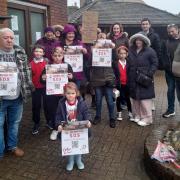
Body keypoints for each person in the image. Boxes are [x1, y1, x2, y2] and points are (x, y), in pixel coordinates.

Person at [0, 28, 33, 158]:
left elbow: (26, 69)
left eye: (11, 38)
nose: (9, 40)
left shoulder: (20, 51)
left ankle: (12, 146)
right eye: (5, 37)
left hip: (17, 96)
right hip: (1, 98)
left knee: (14, 123)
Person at [40, 46, 75, 140]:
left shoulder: (67, 66)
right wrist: (43, 78)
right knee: (54, 112)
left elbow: (73, 79)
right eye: (55, 55)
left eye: (59, 55)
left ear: (63, 56)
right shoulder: (48, 66)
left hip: (65, 94)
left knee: (66, 111)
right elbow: (41, 80)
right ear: (52, 56)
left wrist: (71, 76)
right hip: (52, 95)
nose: (57, 57)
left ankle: (66, 128)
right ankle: (55, 129)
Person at [55, 82, 91, 171]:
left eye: (72, 93)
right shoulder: (61, 103)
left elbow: (86, 113)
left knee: (79, 146)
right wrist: (59, 124)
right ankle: (70, 161)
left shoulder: (81, 102)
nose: (70, 95)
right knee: (69, 146)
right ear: (64, 94)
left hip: (79, 129)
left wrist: (88, 121)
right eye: (68, 93)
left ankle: (78, 160)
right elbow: (58, 115)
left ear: (76, 93)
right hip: (67, 129)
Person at [128, 33, 158, 126]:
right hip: (133, 77)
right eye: (136, 40)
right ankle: (137, 115)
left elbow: (155, 63)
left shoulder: (150, 51)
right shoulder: (131, 50)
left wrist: (149, 74)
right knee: (135, 98)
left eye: (140, 40)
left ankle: (147, 119)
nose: (138, 41)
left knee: (145, 99)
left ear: (144, 41)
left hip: (144, 78)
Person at [90, 33, 116, 128]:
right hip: (97, 78)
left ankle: (112, 118)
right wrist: (95, 48)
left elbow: (116, 60)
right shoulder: (93, 49)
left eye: (103, 37)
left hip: (108, 78)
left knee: (109, 100)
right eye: (100, 37)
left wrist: (113, 49)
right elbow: (89, 63)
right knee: (98, 100)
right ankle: (98, 116)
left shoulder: (110, 49)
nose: (101, 38)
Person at [59, 24, 89, 99]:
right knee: (63, 94)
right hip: (62, 72)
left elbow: (87, 57)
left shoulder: (79, 43)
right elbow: (54, 56)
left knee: (75, 94)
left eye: (73, 33)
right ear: (65, 34)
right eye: (69, 33)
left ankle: (75, 109)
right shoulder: (59, 44)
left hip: (77, 73)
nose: (71, 35)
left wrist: (85, 52)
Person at [140, 18, 161, 111]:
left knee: (150, 83)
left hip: (150, 64)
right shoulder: (139, 35)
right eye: (143, 24)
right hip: (140, 63)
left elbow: (158, 50)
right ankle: (142, 101)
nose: (145, 25)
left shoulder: (155, 36)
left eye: (146, 24)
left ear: (149, 25)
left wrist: (155, 63)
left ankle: (152, 103)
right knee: (140, 82)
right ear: (141, 25)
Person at [161, 24, 180, 118]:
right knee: (170, 91)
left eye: (172, 31)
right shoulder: (166, 42)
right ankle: (171, 110)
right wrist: (166, 66)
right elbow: (163, 55)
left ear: (177, 30)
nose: (170, 33)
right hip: (169, 72)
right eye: (169, 32)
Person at [29, 44, 49, 135]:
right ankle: (36, 123)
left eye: (40, 51)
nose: (38, 53)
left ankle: (49, 121)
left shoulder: (47, 63)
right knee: (36, 106)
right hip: (35, 88)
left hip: (46, 87)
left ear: (43, 53)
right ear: (33, 52)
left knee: (47, 105)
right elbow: (29, 77)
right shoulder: (30, 64)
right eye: (36, 51)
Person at [112, 46, 132, 121]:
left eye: (124, 53)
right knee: (118, 99)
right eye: (120, 53)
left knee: (127, 98)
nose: (122, 55)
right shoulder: (115, 63)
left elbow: (131, 74)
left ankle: (130, 112)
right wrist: (114, 85)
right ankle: (119, 112)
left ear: (127, 54)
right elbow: (113, 75)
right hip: (119, 84)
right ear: (118, 54)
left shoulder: (129, 62)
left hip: (127, 83)